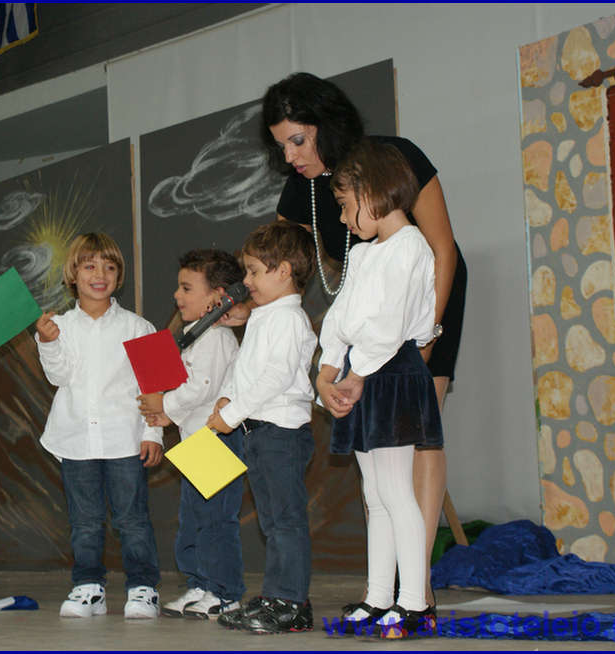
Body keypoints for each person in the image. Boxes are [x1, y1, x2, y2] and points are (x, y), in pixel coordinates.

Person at [262, 71, 467, 609]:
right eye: (281, 145)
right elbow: (277, 262)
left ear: (326, 125)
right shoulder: (301, 191)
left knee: (417, 440)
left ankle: (416, 587)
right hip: (371, 321)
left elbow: (442, 249)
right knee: (377, 465)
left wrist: (422, 346)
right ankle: (384, 588)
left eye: (298, 140)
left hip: (427, 301)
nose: (290, 156)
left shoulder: (390, 160)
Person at [317, 140, 442, 638]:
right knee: (375, 493)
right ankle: (378, 596)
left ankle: (415, 603)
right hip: (362, 371)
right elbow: (340, 318)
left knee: (395, 490)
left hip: (389, 373)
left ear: (373, 192)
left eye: (346, 205)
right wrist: (328, 371)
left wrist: (356, 375)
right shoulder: (364, 253)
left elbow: (390, 325)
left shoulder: (410, 246)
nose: (343, 219)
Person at [34, 232, 164, 620]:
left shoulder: (141, 326)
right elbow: (58, 377)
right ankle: (88, 586)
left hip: (125, 439)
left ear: (119, 276)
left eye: (109, 267)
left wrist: (153, 432)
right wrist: (47, 342)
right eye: (89, 266)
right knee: (84, 521)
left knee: (133, 520)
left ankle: (143, 588)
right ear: (72, 274)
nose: (99, 275)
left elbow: (155, 387)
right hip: (75, 440)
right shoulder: (57, 326)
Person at [206, 221, 317, 635]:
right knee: (272, 522)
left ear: (283, 271)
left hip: (281, 432)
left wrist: (233, 412)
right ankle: (277, 596)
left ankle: (291, 602)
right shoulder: (264, 317)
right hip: (259, 431)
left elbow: (275, 377)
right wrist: (227, 396)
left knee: (285, 521)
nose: (246, 281)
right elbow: (245, 366)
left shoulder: (289, 319)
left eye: (253, 271)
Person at [136, 249, 245, 620]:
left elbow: (202, 386)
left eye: (186, 288)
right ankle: (200, 584)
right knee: (194, 517)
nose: (177, 295)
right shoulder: (192, 334)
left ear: (217, 296)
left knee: (216, 520)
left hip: (216, 440)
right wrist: (163, 409)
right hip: (196, 441)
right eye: (178, 287)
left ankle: (225, 593)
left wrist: (164, 406)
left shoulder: (215, 336)